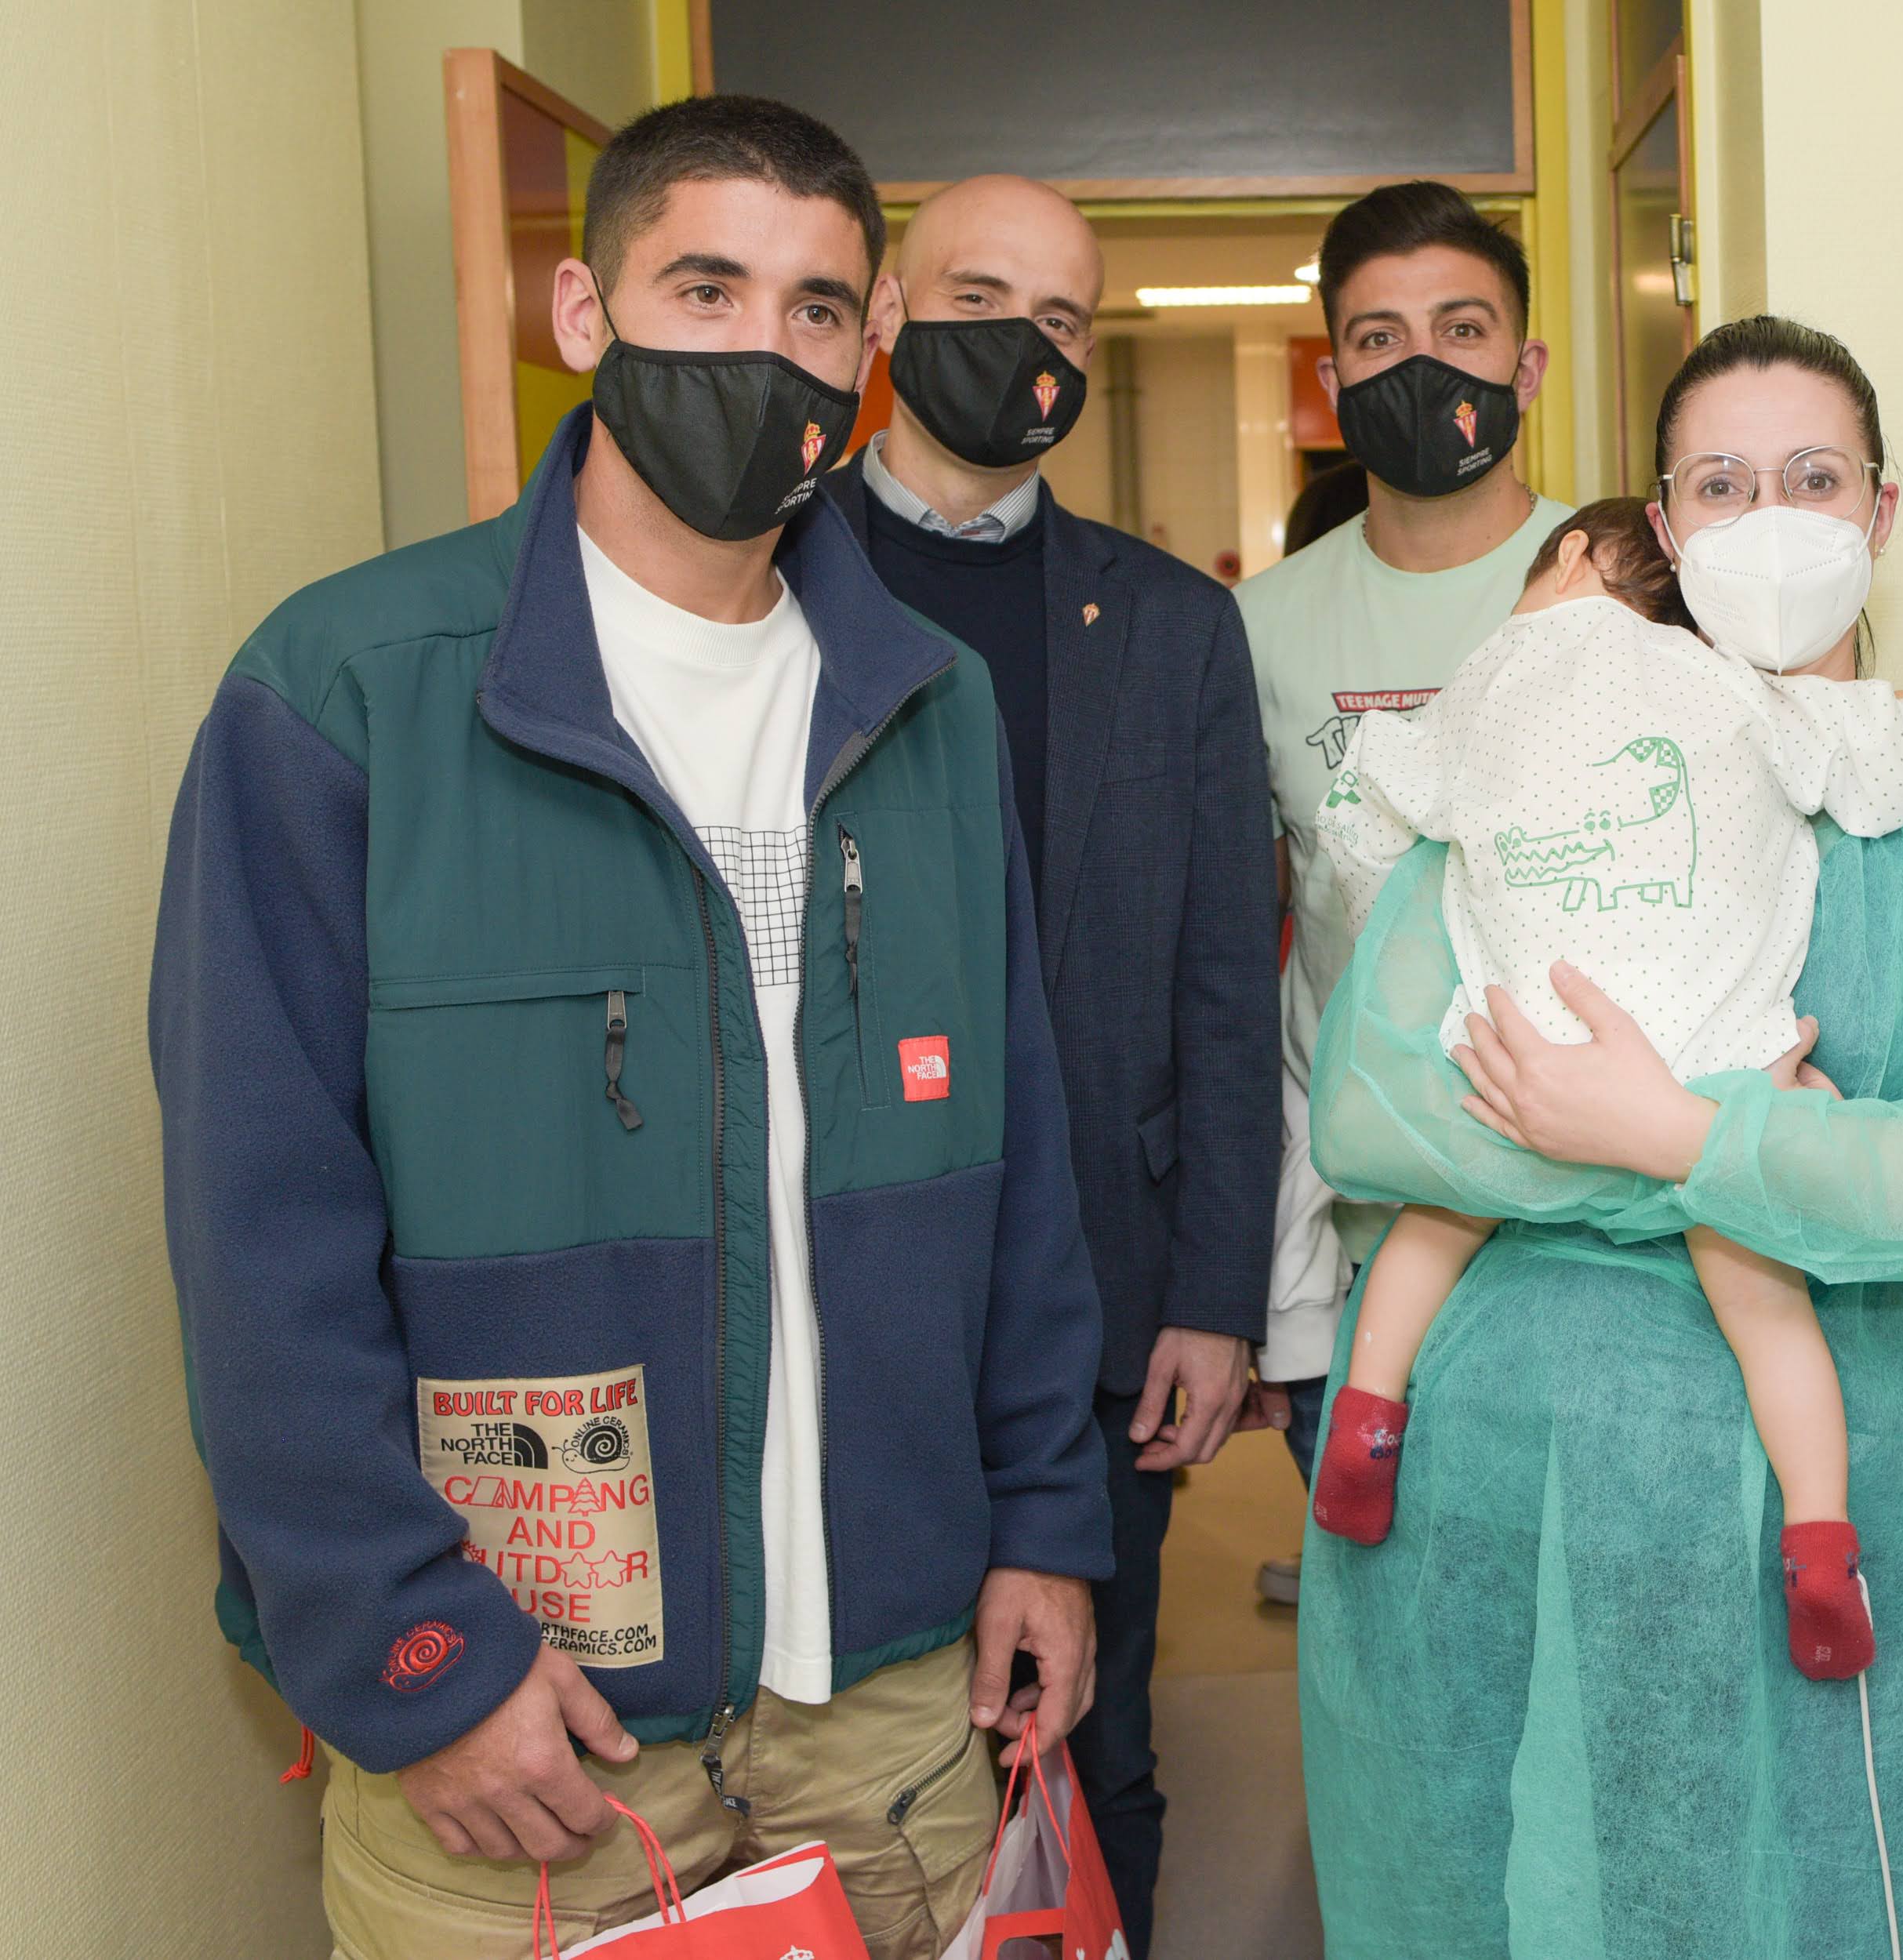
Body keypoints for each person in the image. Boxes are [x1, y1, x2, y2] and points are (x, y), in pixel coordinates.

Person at [148, 98, 1112, 1960]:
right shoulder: (347, 695)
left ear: (870, 348)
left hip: (904, 1709)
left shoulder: (933, 702)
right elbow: (257, 1243)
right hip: (541, 1731)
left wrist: (1045, 1517)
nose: (766, 353)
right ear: (585, 310)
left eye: (820, 309)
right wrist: (411, 1647)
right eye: (707, 287)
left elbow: (1020, 1160)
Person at [1298, 316, 1903, 1958]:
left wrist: (1676, 1134)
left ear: (1880, 511)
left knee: (1827, 1891)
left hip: (1843, 1482)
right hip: (1497, 1480)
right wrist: (1744, 1148)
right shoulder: (1537, 774)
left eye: (1813, 478)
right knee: (1518, 1886)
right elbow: (1379, 1107)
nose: (1771, 516)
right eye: (1721, 485)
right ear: (1658, 527)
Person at [815, 172, 1279, 1958]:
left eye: (1069, 317)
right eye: (981, 294)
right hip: (831, 1299)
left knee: (1096, 1741)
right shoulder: (762, 582)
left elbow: (1224, 986)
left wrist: (1214, 1293)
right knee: (843, 1757)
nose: (1027, 342)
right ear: (882, 321)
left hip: (1099, 1289)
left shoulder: (1168, 625)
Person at [1307, 496, 1903, 1689]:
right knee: (1761, 1294)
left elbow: (1377, 809)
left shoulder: (1491, 671)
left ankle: (1366, 1414)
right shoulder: (1728, 685)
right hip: (1710, 1070)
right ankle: (1819, 1535)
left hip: (1534, 1061)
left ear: (1568, 558)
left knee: (1436, 1219)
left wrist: (1387, 933)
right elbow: (1877, 762)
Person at [1236, 180, 1574, 1572]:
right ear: (1332, 381)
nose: (1421, 364)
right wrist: (1250, 1287)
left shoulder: (1631, 584)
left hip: (1600, 1240)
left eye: (1462, 326)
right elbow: (1234, 952)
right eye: (1378, 338)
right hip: (1355, 1244)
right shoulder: (1254, 627)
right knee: (1394, 1687)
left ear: (1526, 367)